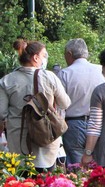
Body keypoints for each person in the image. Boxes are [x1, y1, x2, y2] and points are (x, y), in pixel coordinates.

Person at [0, 39, 71, 173]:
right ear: (35, 57)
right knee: (45, 183)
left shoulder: (6, 81)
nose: (45, 59)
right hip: (46, 138)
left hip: (18, 142)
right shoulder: (50, 77)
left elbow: (1, 113)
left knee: (21, 185)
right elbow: (65, 103)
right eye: (44, 55)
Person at [58, 38, 105, 166]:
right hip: (100, 122)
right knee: (99, 166)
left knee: (77, 167)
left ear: (69, 53)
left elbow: (60, 106)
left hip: (73, 125)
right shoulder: (101, 70)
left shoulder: (64, 73)